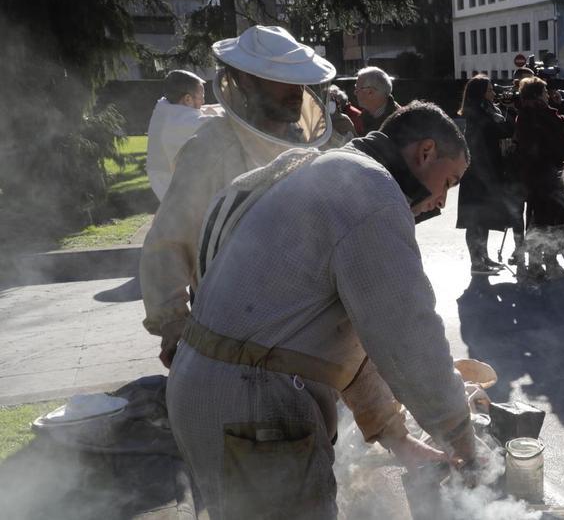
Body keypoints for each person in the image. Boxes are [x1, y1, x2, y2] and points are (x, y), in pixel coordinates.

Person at [167, 101, 478, 519]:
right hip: (254, 403)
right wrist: (461, 436)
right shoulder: (372, 191)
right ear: (425, 153)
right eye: (449, 182)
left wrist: (397, 437)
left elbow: (350, 338)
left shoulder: (334, 170)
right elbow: (408, 336)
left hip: (206, 392)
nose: (440, 201)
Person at [141, 25, 336, 367]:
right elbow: (168, 240)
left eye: (300, 81)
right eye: (283, 81)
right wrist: (173, 320)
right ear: (245, 81)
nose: (297, 92)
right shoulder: (210, 149)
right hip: (232, 332)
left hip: (304, 326)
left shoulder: (305, 146)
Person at [512, 77, 564, 280]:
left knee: (536, 219)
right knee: (550, 219)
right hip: (549, 175)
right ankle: (547, 260)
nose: (548, 94)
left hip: (532, 176)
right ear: (537, 94)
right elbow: (560, 140)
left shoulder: (524, 114)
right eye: (544, 91)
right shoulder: (543, 114)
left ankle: (536, 263)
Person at [456, 75, 520, 275]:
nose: (494, 93)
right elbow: (502, 130)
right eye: (490, 89)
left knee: (482, 220)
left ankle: (483, 257)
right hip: (478, 174)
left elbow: (504, 129)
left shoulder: (487, 109)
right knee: (475, 220)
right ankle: (477, 263)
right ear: (481, 93)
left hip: (485, 172)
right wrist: (506, 115)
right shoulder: (477, 113)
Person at [145, 70, 222, 200]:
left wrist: (218, 108)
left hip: (167, 174)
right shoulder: (177, 122)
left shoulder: (166, 106)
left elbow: (202, 110)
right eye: (201, 96)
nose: (203, 101)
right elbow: (218, 123)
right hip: (167, 181)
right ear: (187, 99)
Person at [355, 66, 401, 132]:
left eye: (357, 89)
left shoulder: (399, 121)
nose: (355, 93)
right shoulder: (365, 116)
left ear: (370, 92)